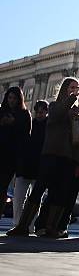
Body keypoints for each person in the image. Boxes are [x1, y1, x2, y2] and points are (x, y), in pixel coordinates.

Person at [7, 78, 79, 237]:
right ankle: (23, 225)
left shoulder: (75, 111)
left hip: (67, 156)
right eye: (71, 87)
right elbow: (58, 114)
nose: (74, 91)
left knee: (59, 192)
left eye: (76, 88)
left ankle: (51, 227)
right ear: (64, 89)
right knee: (39, 189)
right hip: (51, 153)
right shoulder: (55, 105)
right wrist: (72, 99)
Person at [13, 100, 49, 230]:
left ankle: (31, 224)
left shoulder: (48, 127)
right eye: (38, 112)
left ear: (46, 112)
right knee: (18, 197)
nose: (39, 114)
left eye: (42, 112)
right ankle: (17, 223)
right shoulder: (30, 124)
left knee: (34, 199)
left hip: (39, 167)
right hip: (25, 165)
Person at [0, 86, 31, 219]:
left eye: (14, 98)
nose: (11, 101)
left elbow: (26, 136)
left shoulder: (24, 114)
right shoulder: (1, 112)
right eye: (9, 98)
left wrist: (14, 123)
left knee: (2, 187)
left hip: (11, 157)